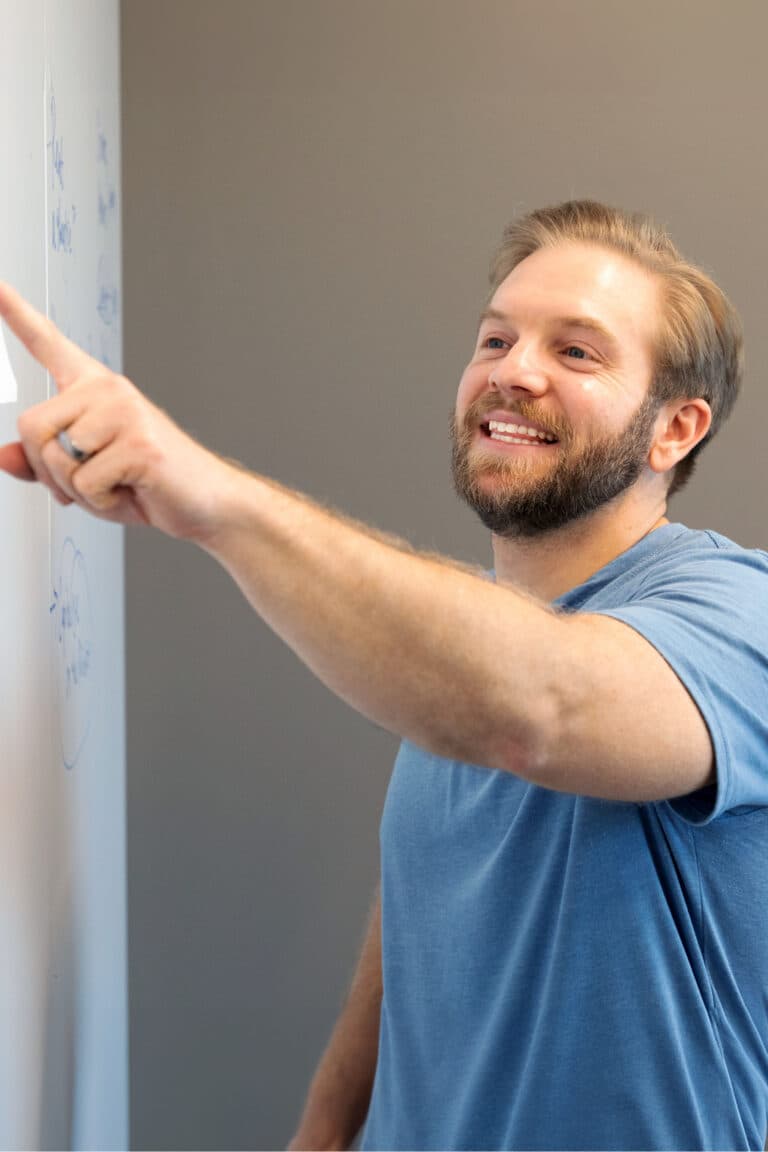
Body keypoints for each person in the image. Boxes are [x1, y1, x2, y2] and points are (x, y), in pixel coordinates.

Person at [0, 199, 766, 1151]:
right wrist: (323, 1133)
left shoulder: (735, 617)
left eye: (577, 352)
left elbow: (542, 710)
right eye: (495, 339)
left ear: (674, 429)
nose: (512, 371)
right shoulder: (459, 655)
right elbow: (420, 896)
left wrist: (210, 496)